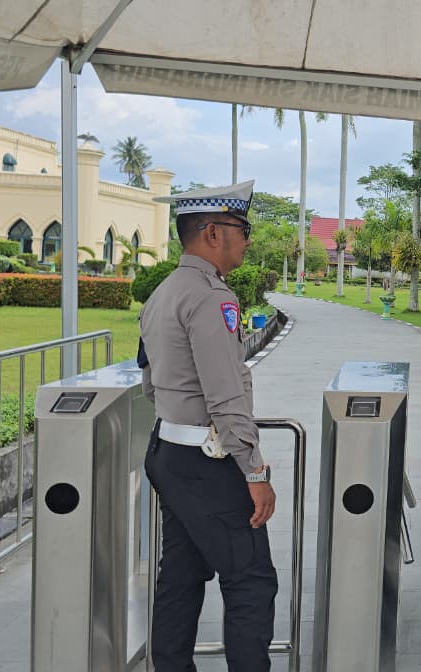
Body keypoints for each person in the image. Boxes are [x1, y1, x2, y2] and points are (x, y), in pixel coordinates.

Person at [139, 180, 278, 671]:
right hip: (207, 462)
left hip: (169, 451)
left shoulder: (163, 293)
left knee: (180, 574)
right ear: (213, 233)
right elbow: (225, 395)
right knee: (250, 580)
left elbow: (150, 383)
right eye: (243, 228)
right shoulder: (210, 298)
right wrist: (255, 471)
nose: (248, 239)